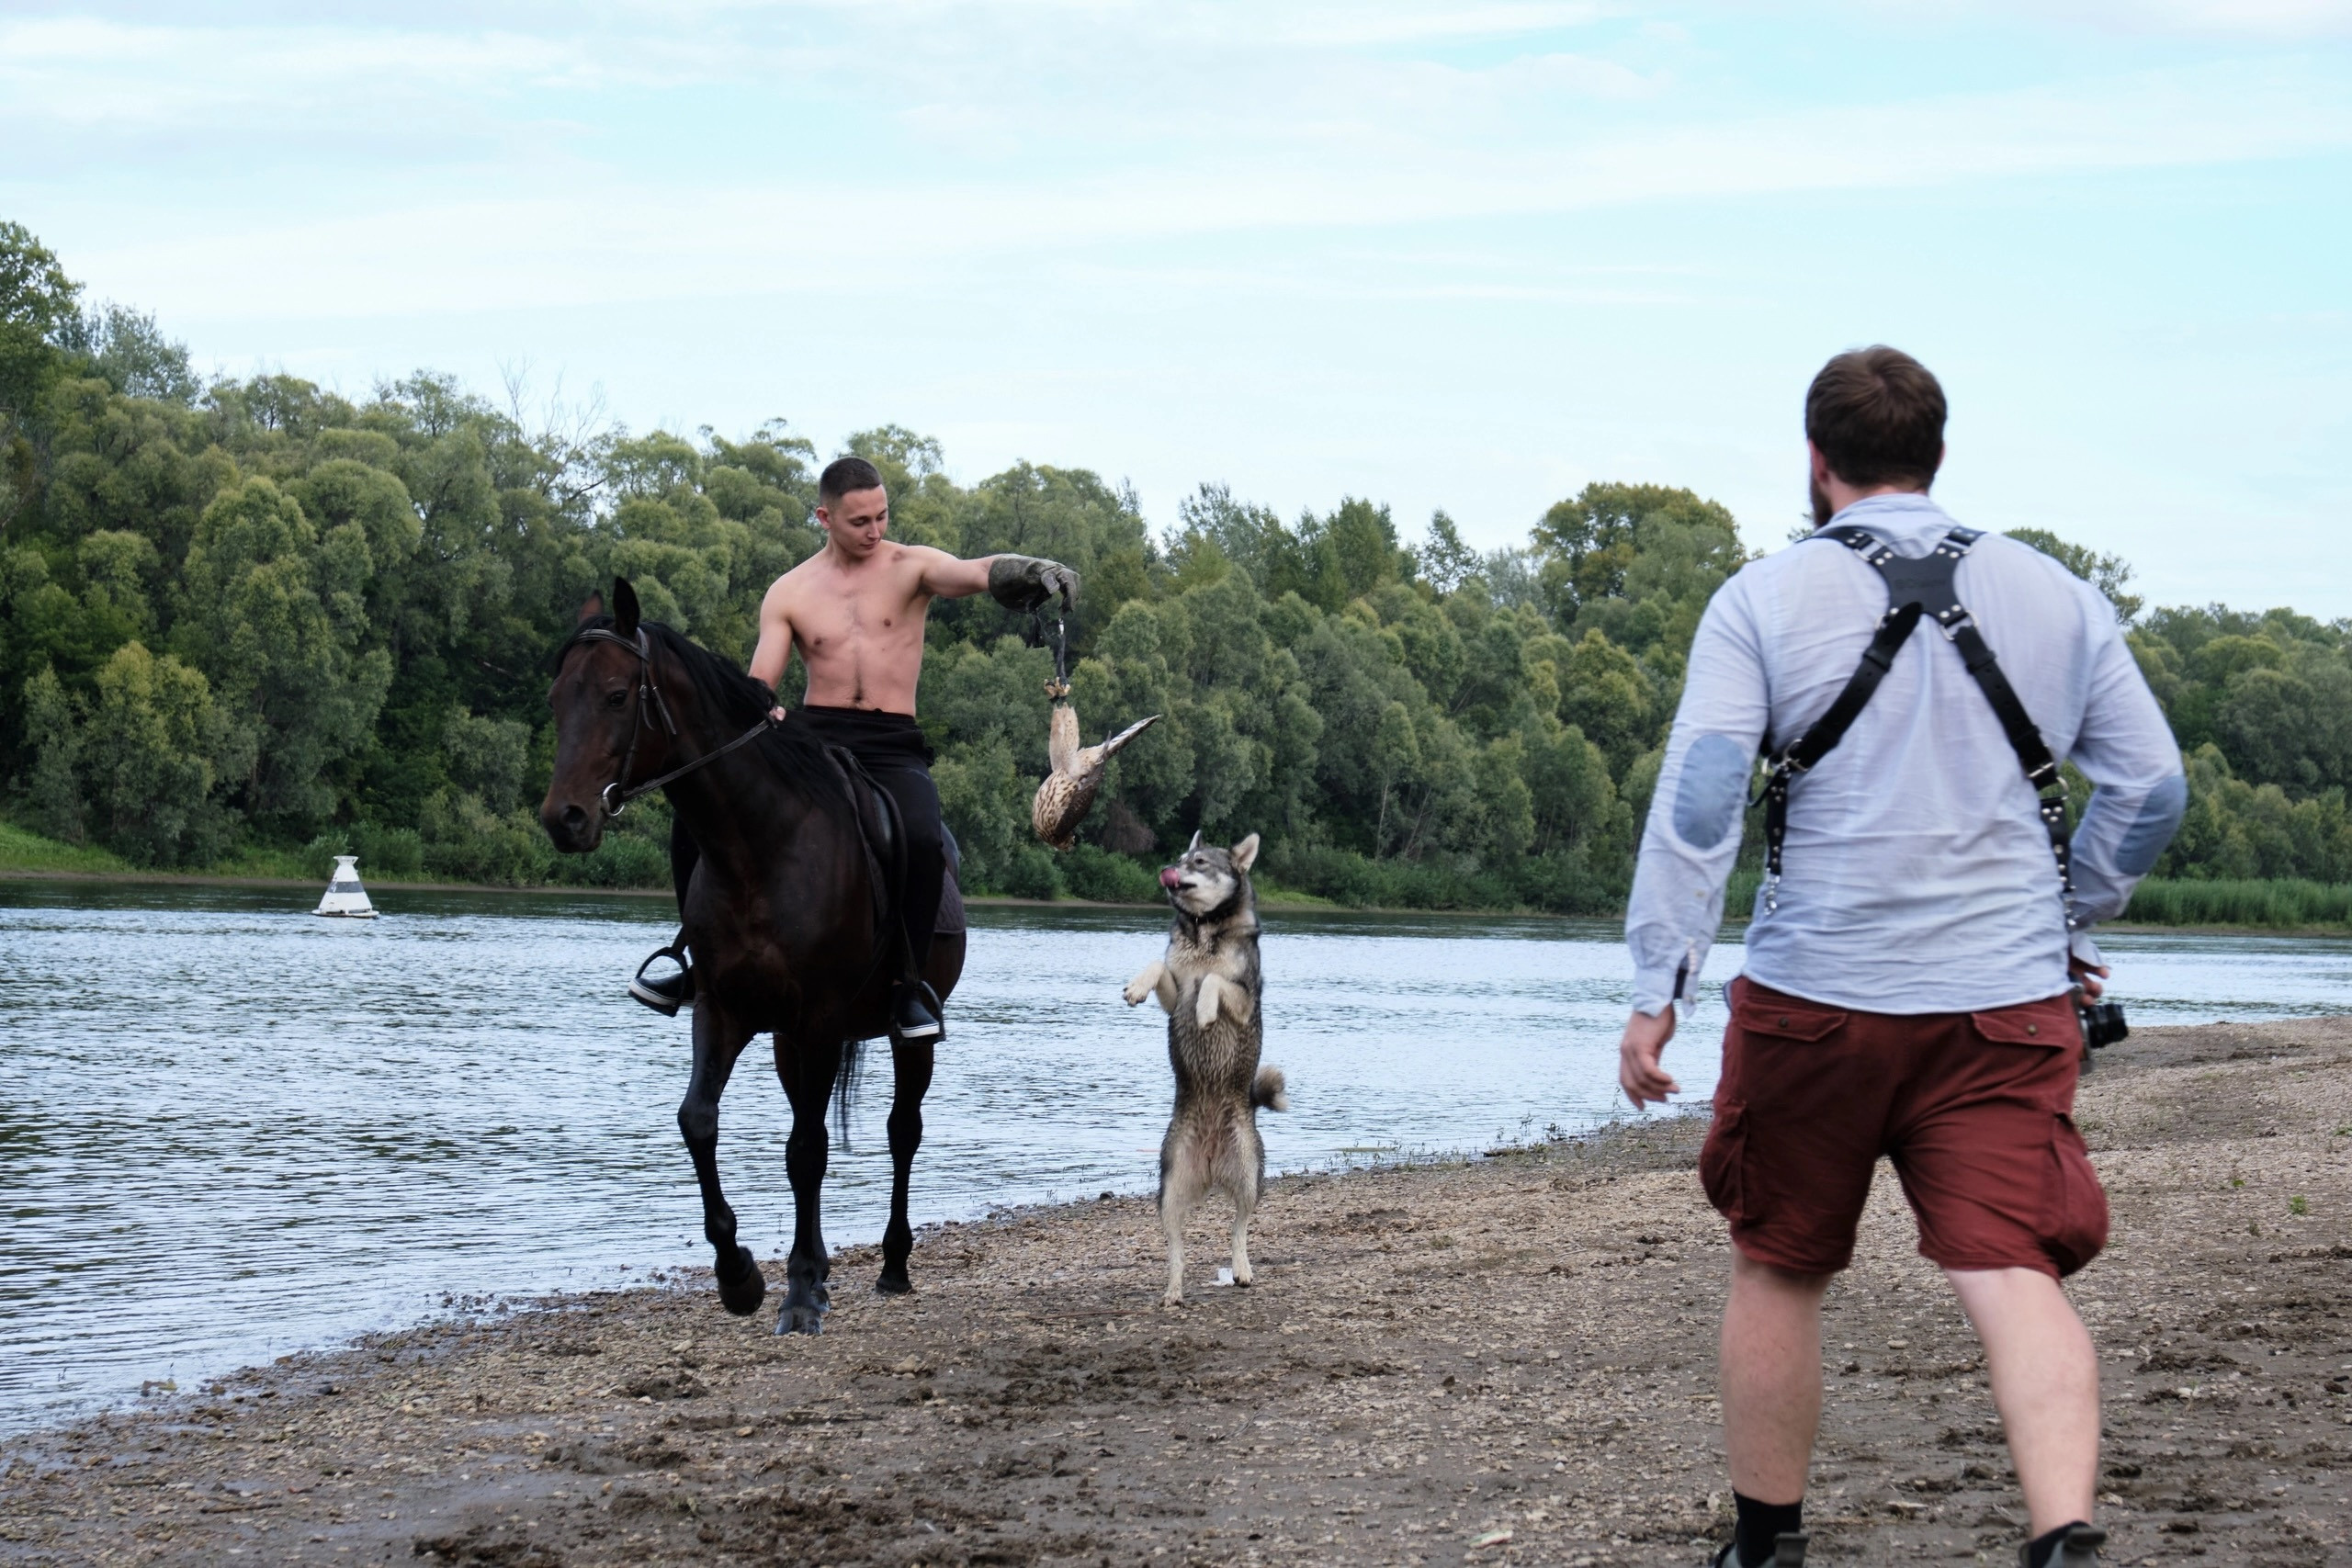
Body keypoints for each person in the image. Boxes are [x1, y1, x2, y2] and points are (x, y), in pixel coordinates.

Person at [1616, 347, 2183, 1568]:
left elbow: (1704, 802)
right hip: (2006, 1009)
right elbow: (2152, 785)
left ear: (1815, 462)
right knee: (2012, 1266)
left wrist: (1659, 988)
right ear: (1937, 457)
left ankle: (1767, 1545)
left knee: (1780, 1263)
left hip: (1814, 1002)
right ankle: (2065, 1535)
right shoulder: (2058, 594)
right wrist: (2071, 918)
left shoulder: (1760, 600)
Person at [629, 455, 1076, 1043]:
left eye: (882, 516)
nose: (875, 531)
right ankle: (693, 959)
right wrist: (764, 706)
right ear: (825, 517)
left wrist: (1027, 569)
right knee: (697, 818)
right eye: (860, 520)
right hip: (814, 739)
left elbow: (972, 572)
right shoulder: (790, 591)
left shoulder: (910, 568)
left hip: (892, 743)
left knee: (921, 835)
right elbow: (762, 678)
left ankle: (910, 986)